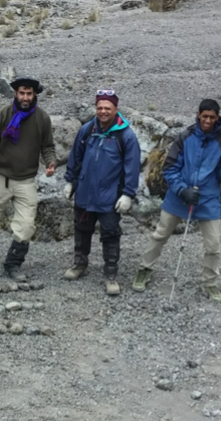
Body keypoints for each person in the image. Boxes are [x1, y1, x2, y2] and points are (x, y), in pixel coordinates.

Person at [132, 99, 221, 301]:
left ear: (217, 117)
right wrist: (182, 190)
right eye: (205, 116)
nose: (208, 120)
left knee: (213, 245)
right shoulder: (185, 136)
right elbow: (170, 168)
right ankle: (145, 268)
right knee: (160, 235)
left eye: (212, 117)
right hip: (178, 196)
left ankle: (210, 282)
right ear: (198, 115)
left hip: (208, 199)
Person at [0, 76, 56, 281]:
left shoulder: (42, 118)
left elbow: (47, 146)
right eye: (22, 93)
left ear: (35, 94)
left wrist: (50, 162)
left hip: (26, 180)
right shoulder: (3, 113)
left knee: (26, 225)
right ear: (15, 94)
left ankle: (13, 264)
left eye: (29, 94)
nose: (25, 97)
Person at [62, 90, 141, 296]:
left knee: (110, 233)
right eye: (100, 108)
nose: (103, 111)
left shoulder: (126, 136)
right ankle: (80, 263)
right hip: (85, 192)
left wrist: (128, 194)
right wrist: (70, 181)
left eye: (107, 108)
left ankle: (111, 273)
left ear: (115, 109)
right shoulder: (88, 130)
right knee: (81, 228)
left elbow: (132, 167)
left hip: (110, 196)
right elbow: (75, 156)